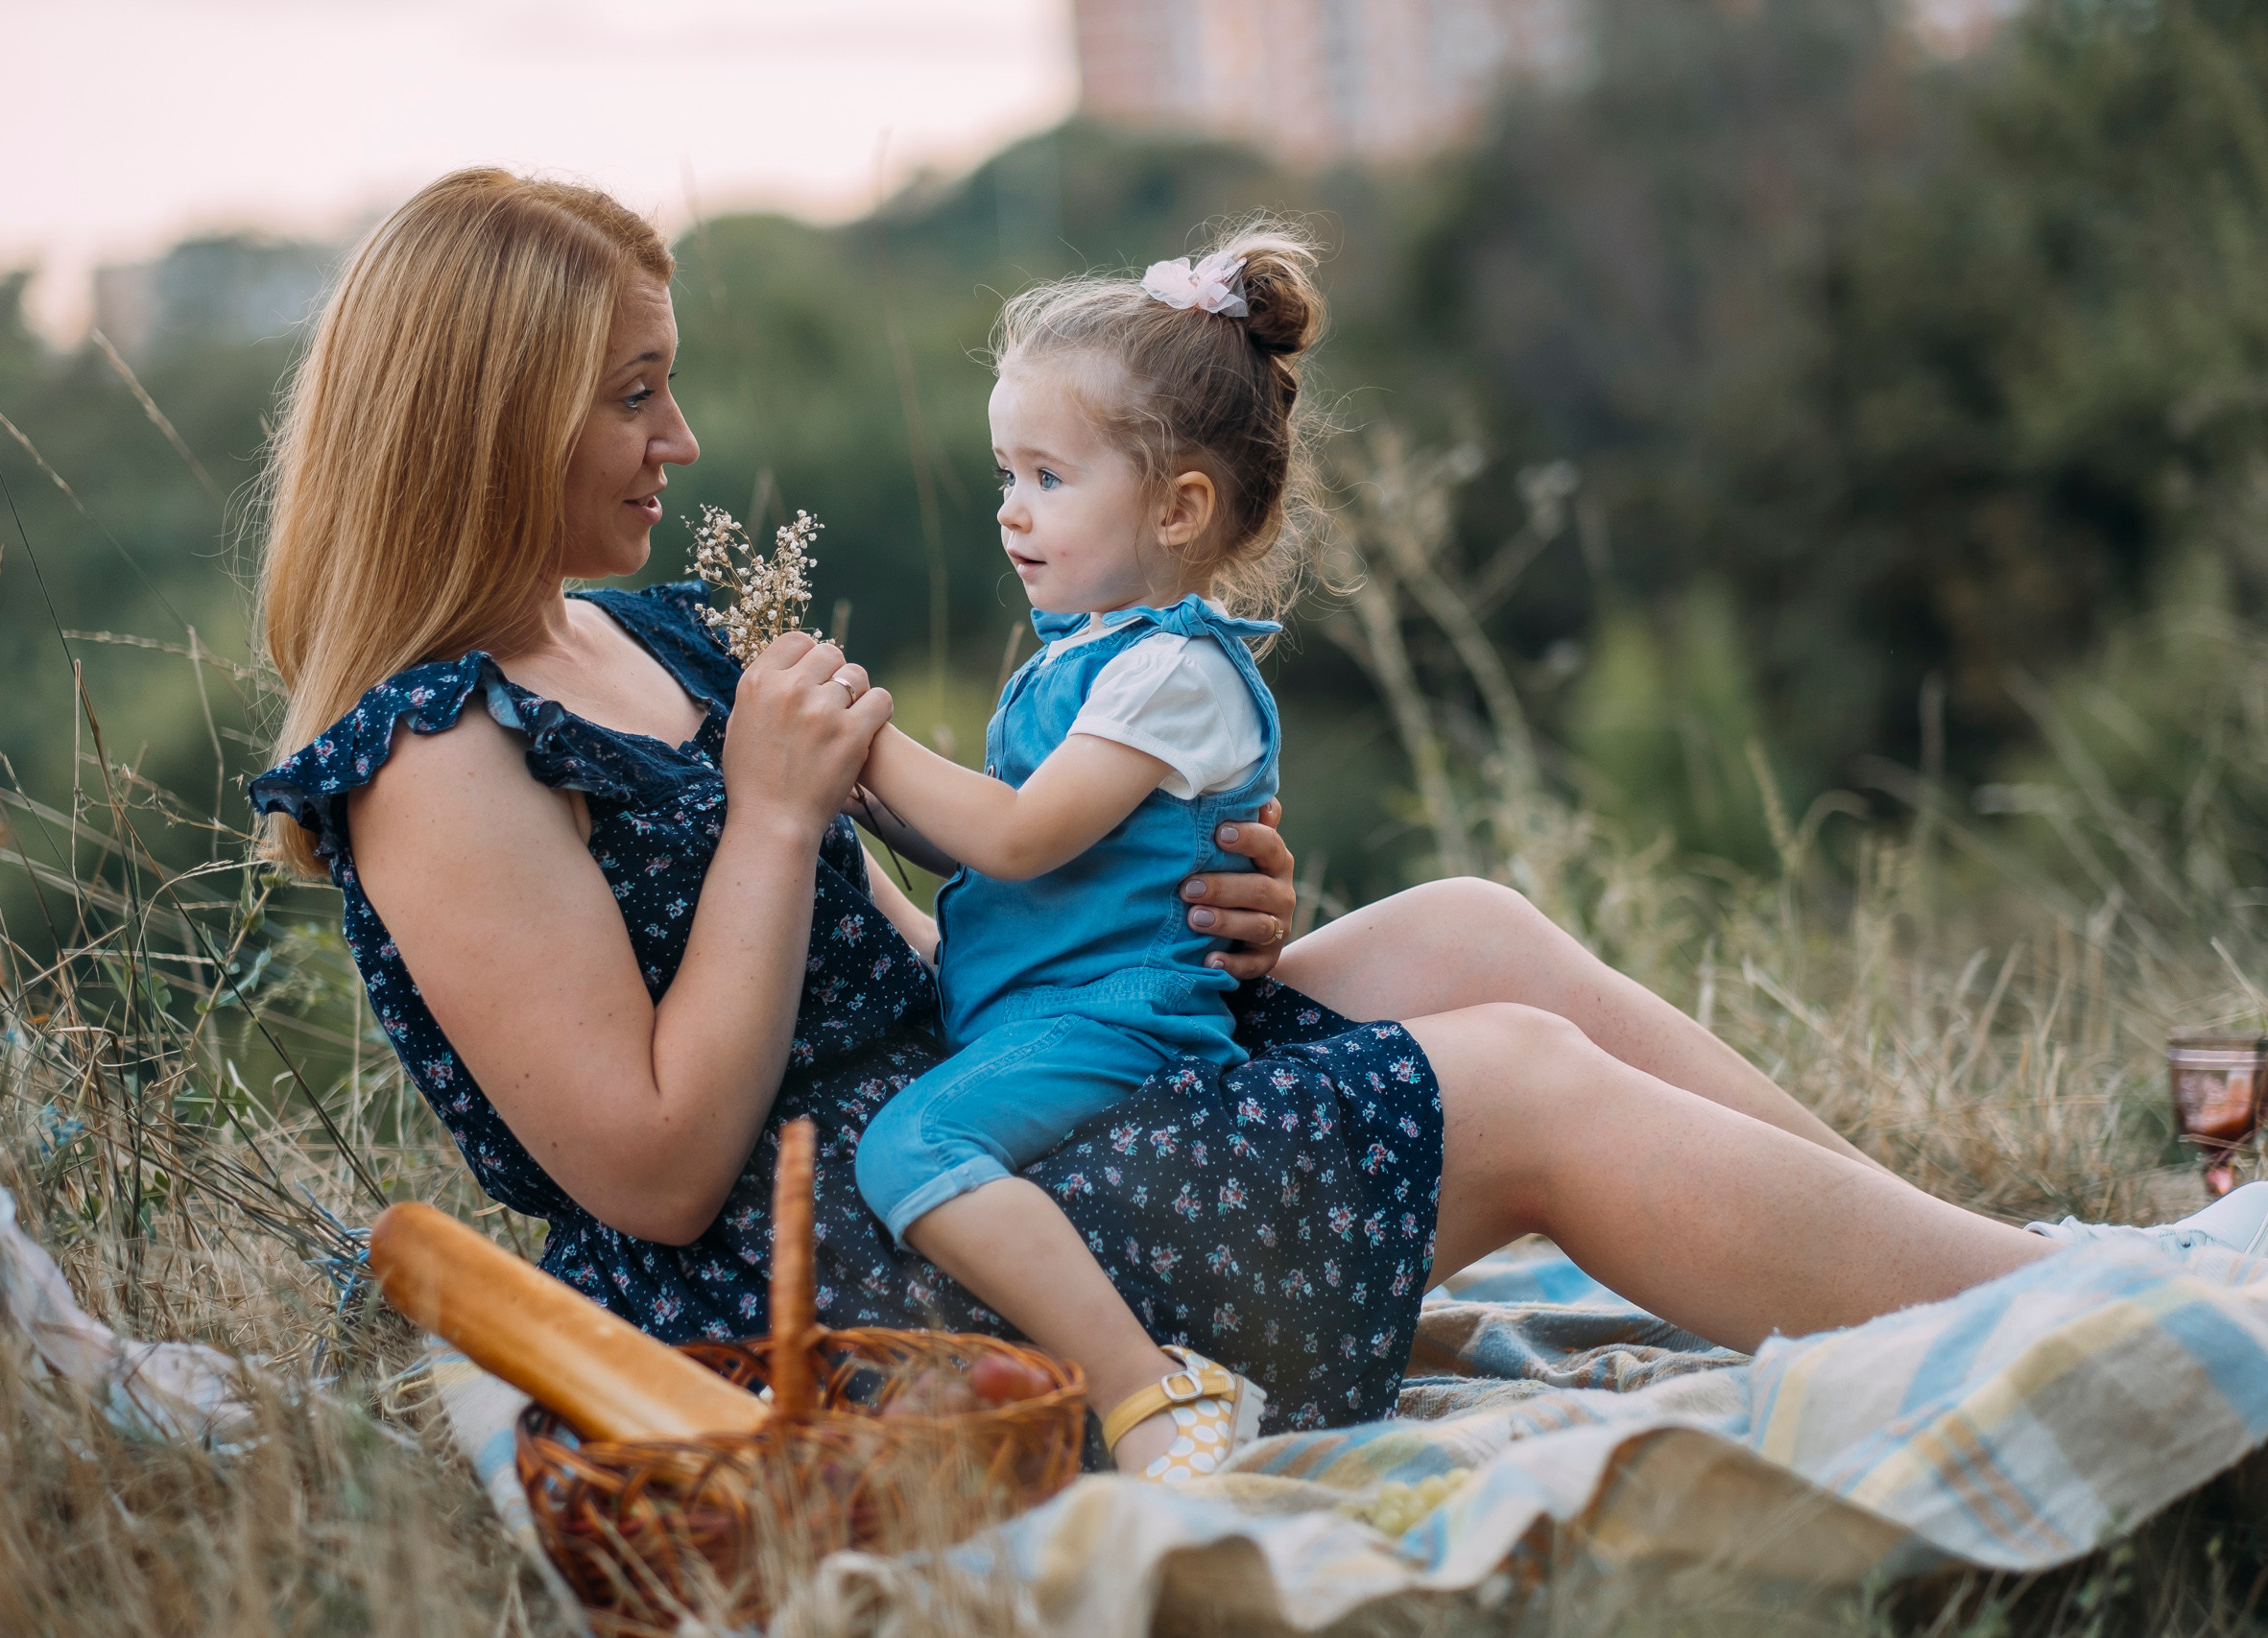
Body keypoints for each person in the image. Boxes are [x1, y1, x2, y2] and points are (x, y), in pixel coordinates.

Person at [247, 167, 2097, 1471]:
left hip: (979, 1088)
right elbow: (646, 1168)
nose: (685, 440)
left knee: (1465, 933)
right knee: (1513, 1081)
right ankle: (2061, 1324)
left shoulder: (635, 637)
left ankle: (1966, 1253)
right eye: (636, 396)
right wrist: (766, 823)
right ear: (488, 424)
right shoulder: (432, 757)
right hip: (863, 1267)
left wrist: (1167, 915)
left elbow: (890, 946)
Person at [840, 229, 1406, 1481]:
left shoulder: (1171, 673)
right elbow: (989, 853)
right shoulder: (1091, 657)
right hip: (1064, 1009)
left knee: (910, 1152)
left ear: (1177, 506)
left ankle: (1154, 1391)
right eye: (1006, 472)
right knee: (921, 1145)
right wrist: (857, 805)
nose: (1010, 507)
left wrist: (861, 740)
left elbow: (1018, 836)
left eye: (1048, 474)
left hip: (1123, 1017)